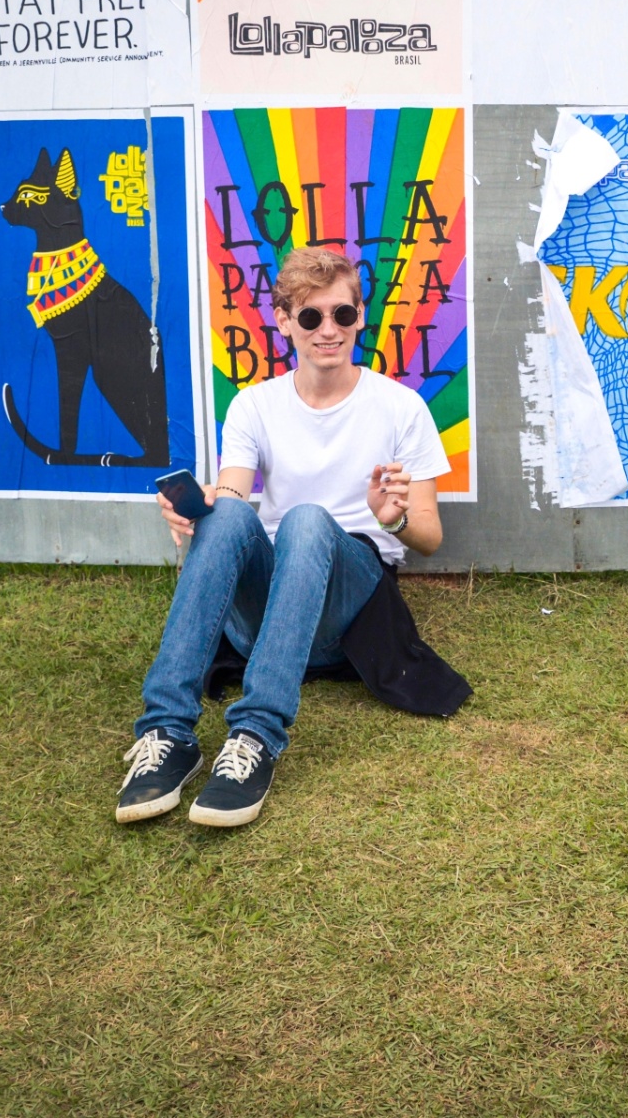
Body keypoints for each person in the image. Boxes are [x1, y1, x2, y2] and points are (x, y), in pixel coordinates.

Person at [116, 247, 450, 829]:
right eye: (312, 317)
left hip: (350, 603)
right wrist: (198, 513)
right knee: (228, 514)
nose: (329, 331)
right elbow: (237, 502)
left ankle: (256, 739)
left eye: (342, 315)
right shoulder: (255, 405)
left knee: (306, 519)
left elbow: (430, 539)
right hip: (268, 611)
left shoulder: (402, 408)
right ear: (284, 321)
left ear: (360, 316)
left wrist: (390, 517)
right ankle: (167, 733)